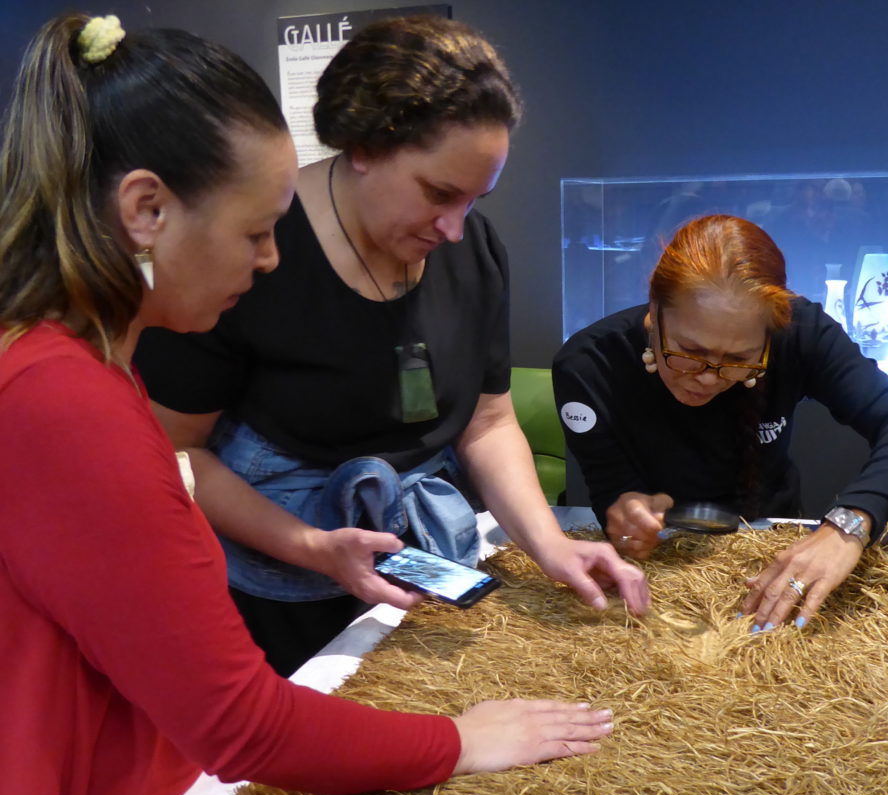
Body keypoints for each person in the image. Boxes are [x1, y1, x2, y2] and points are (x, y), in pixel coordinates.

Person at [0, 14, 617, 795]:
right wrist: (456, 741)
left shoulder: (78, 371)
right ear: (146, 211)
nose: (269, 256)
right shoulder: (66, 403)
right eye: (254, 231)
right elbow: (240, 724)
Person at [135, 14, 648, 676]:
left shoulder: (475, 253)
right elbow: (177, 453)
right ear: (364, 144)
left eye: (473, 199)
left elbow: (488, 424)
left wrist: (549, 544)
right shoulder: (253, 256)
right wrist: (311, 545)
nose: (455, 228)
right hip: (279, 593)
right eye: (438, 193)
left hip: (422, 573)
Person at [553, 214, 888, 631]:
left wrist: (847, 527)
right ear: (655, 305)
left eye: (740, 359)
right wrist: (625, 506)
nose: (708, 377)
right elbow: (609, 481)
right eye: (689, 350)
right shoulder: (589, 364)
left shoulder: (801, 332)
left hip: (771, 542)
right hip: (656, 566)